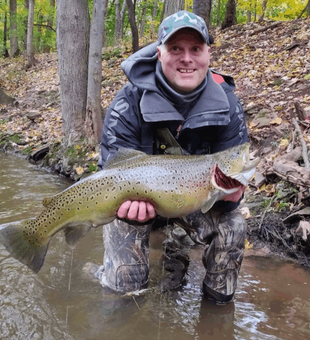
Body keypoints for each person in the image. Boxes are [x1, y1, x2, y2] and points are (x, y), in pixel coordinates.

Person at [96, 10, 248, 304]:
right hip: (137, 201)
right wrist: (125, 207)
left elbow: (235, 185)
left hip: (198, 199)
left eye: (195, 49)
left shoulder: (228, 104)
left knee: (234, 224)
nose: (186, 58)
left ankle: (217, 308)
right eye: (175, 48)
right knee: (124, 287)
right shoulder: (127, 103)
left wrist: (233, 192)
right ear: (159, 54)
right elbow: (109, 173)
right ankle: (119, 294)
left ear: (207, 55)